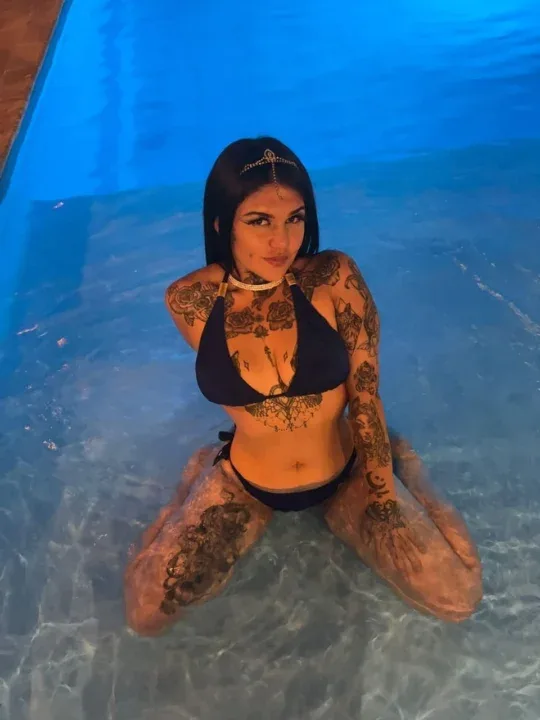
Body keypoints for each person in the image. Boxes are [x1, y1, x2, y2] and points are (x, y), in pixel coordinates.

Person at [124, 138, 483, 636]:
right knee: (145, 616)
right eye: (260, 221)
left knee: (458, 598)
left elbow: (365, 395)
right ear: (222, 223)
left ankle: (410, 466)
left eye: (295, 218)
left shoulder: (334, 278)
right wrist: (184, 505)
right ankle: (196, 475)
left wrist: (385, 500)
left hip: (346, 472)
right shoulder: (189, 299)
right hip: (246, 483)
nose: (282, 241)